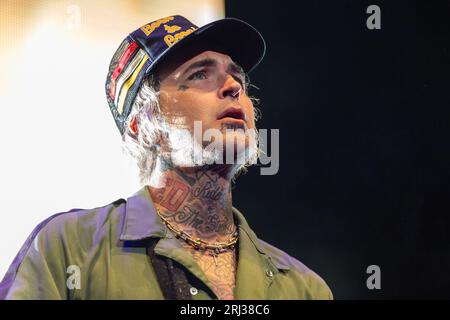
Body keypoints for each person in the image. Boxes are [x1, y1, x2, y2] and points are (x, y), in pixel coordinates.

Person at [0, 15, 333, 300]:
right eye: (199, 74)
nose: (233, 86)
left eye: (238, 77)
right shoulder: (68, 248)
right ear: (143, 124)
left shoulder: (303, 288)